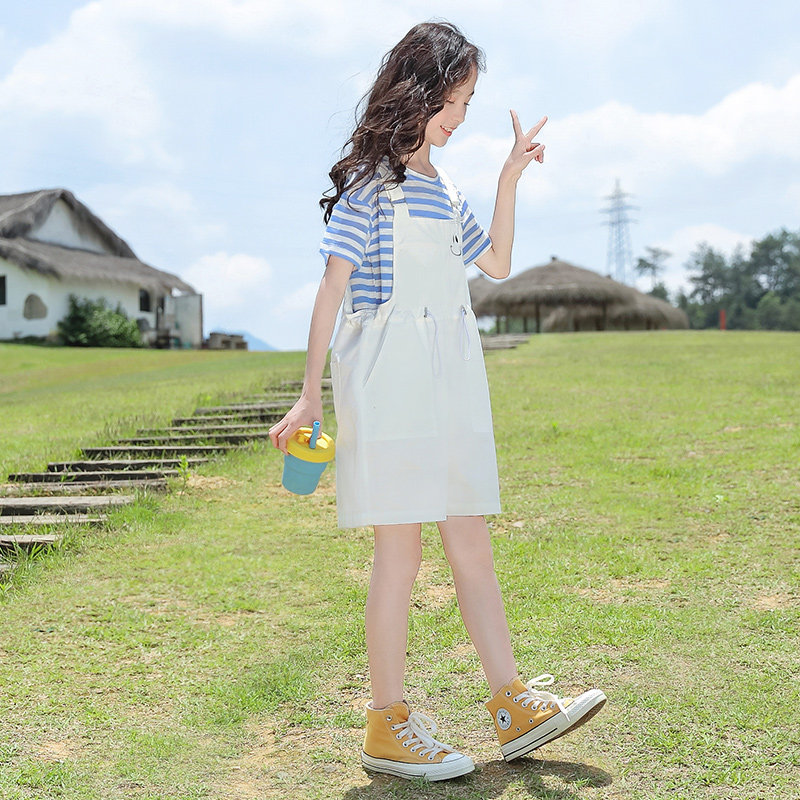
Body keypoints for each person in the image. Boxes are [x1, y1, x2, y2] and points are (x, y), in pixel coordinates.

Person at [269, 20, 606, 782]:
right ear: (416, 94)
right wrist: (309, 395)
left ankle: (512, 704)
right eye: (451, 101)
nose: (458, 117)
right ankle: (386, 724)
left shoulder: (447, 191)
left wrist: (508, 178)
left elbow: (499, 262)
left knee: (471, 543)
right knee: (401, 553)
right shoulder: (369, 187)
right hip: (389, 386)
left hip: (451, 383)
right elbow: (331, 290)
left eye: (467, 104)